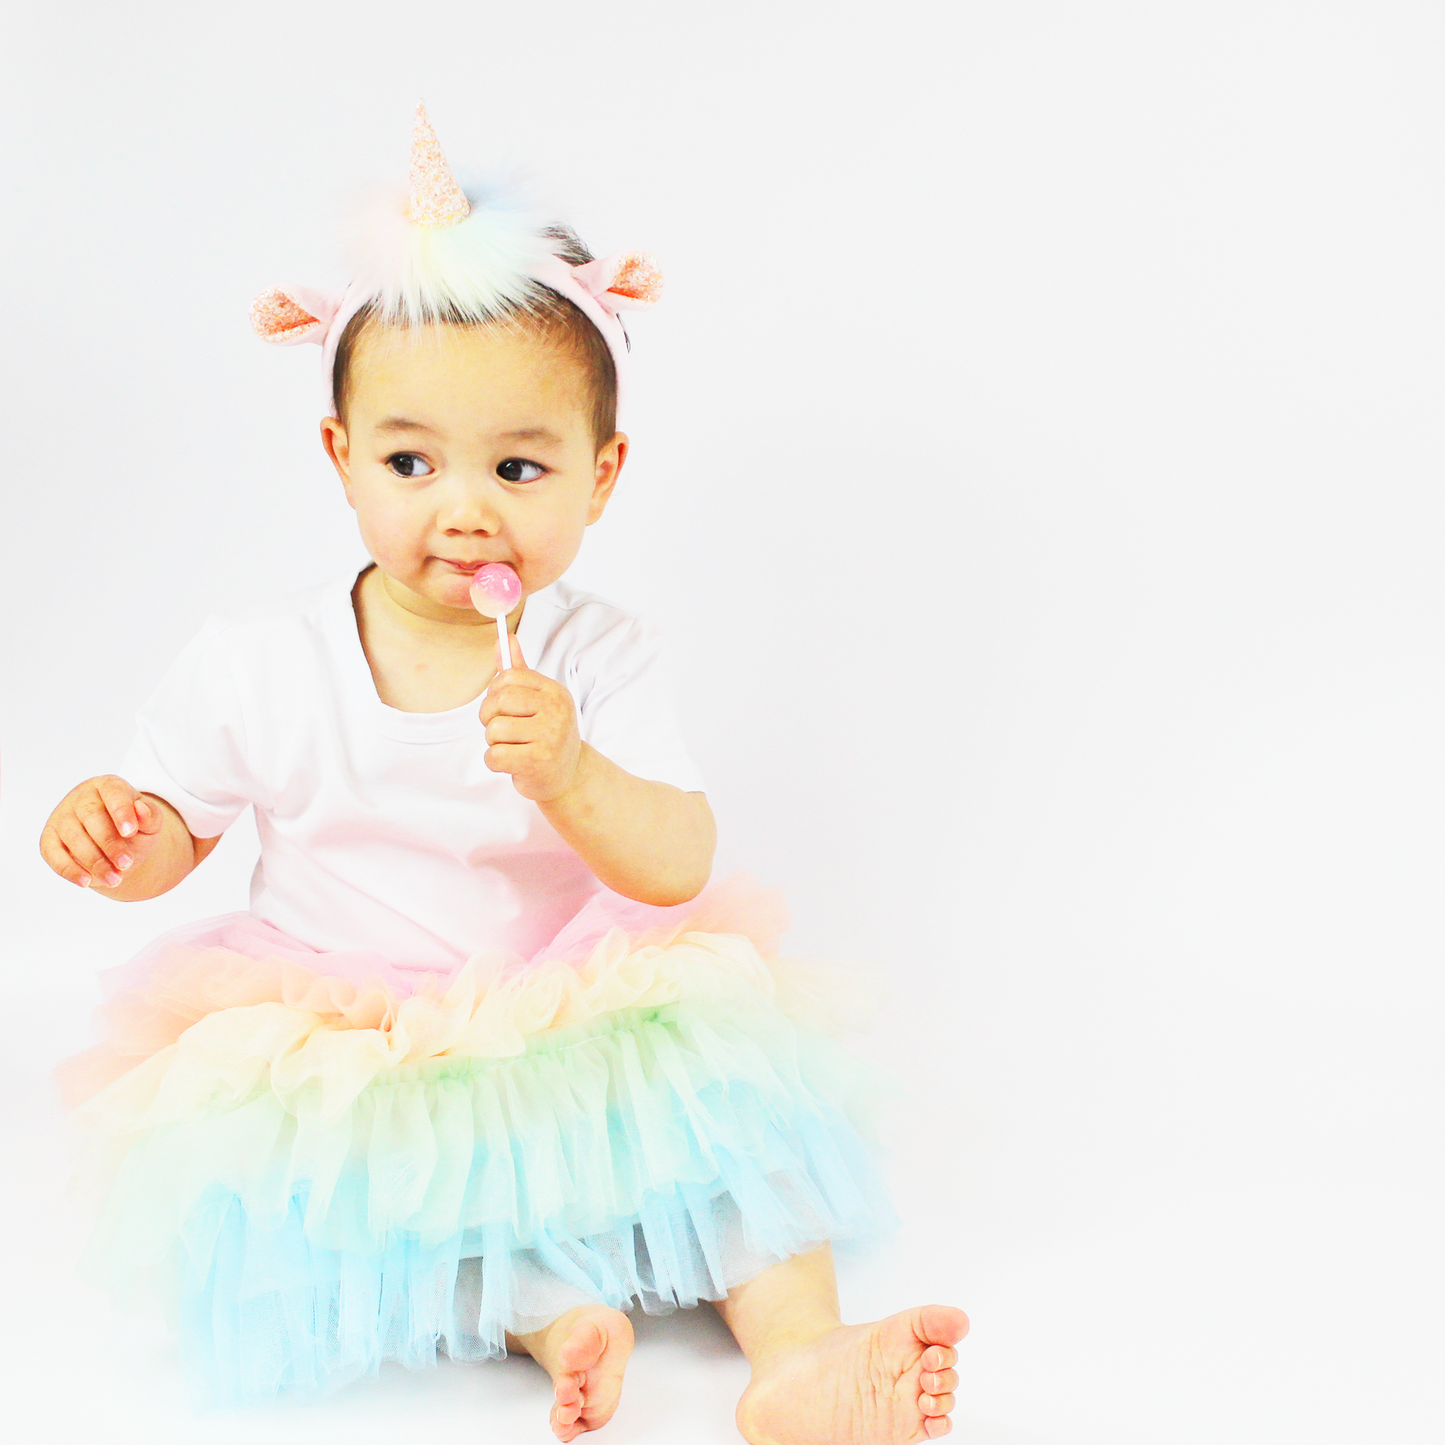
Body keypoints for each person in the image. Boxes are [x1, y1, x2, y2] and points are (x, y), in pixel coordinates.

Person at [41, 106, 967, 1444]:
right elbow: (169, 832)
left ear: (602, 480)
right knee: (387, 1189)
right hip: (359, 1028)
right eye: (412, 461)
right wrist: (117, 837)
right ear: (340, 458)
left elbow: (675, 862)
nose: (465, 507)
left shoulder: (593, 651)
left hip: (569, 1001)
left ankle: (801, 1358)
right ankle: (552, 1318)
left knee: (735, 1134)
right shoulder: (255, 661)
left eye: (519, 467)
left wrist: (575, 772)